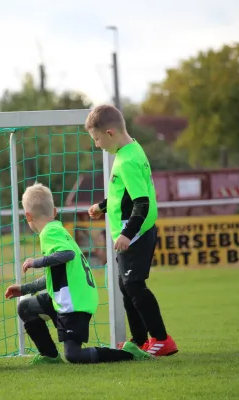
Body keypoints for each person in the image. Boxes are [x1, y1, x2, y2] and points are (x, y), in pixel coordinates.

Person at [5, 183, 153, 364]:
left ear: (27, 216)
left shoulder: (49, 232)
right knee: (26, 307)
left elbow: (68, 255)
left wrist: (35, 262)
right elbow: (56, 275)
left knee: (74, 355)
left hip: (74, 303)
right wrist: (24, 288)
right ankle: (49, 356)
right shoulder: (57, 229)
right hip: (66, 296)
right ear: (54, 211)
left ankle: (129, 354)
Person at [85, 104, 178, 357]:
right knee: (126, 287)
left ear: (110, 133)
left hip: (134, 233)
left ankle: (161, 338)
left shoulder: (127, 160)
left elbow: (142, 202)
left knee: (134, 286)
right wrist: (103, 206)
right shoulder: (133, 150)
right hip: (131, 231)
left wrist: (127, 234)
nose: (96, 145)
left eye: (97, 138)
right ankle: (138, 341)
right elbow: (125, 195)